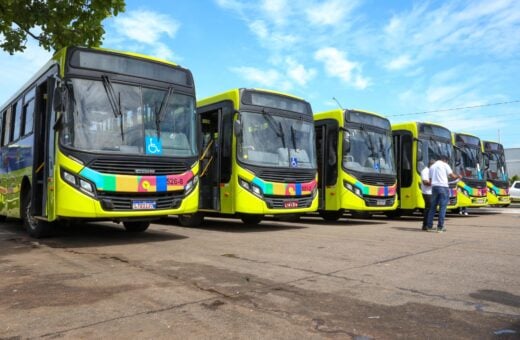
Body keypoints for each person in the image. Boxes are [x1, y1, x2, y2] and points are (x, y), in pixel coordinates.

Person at [425, 155, 462, 232]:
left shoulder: (432, 167)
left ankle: (429, 226)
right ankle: (440, 226)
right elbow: (452, 175)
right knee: (442, 207)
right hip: (443, 187)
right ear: (445, 160)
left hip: (434, 188)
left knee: (432, 207)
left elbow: (431, 181)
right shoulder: (445, 165)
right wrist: (458, 176)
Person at [421, 159, 435, 230]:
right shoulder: (425, 171)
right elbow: (425, 182)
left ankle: (429, 224)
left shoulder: (430, 171)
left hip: (431, 193)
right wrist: (435, 182)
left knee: (430, 209)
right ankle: (426, 225)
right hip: (427, 193)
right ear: (431, 165)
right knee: (428, 209)